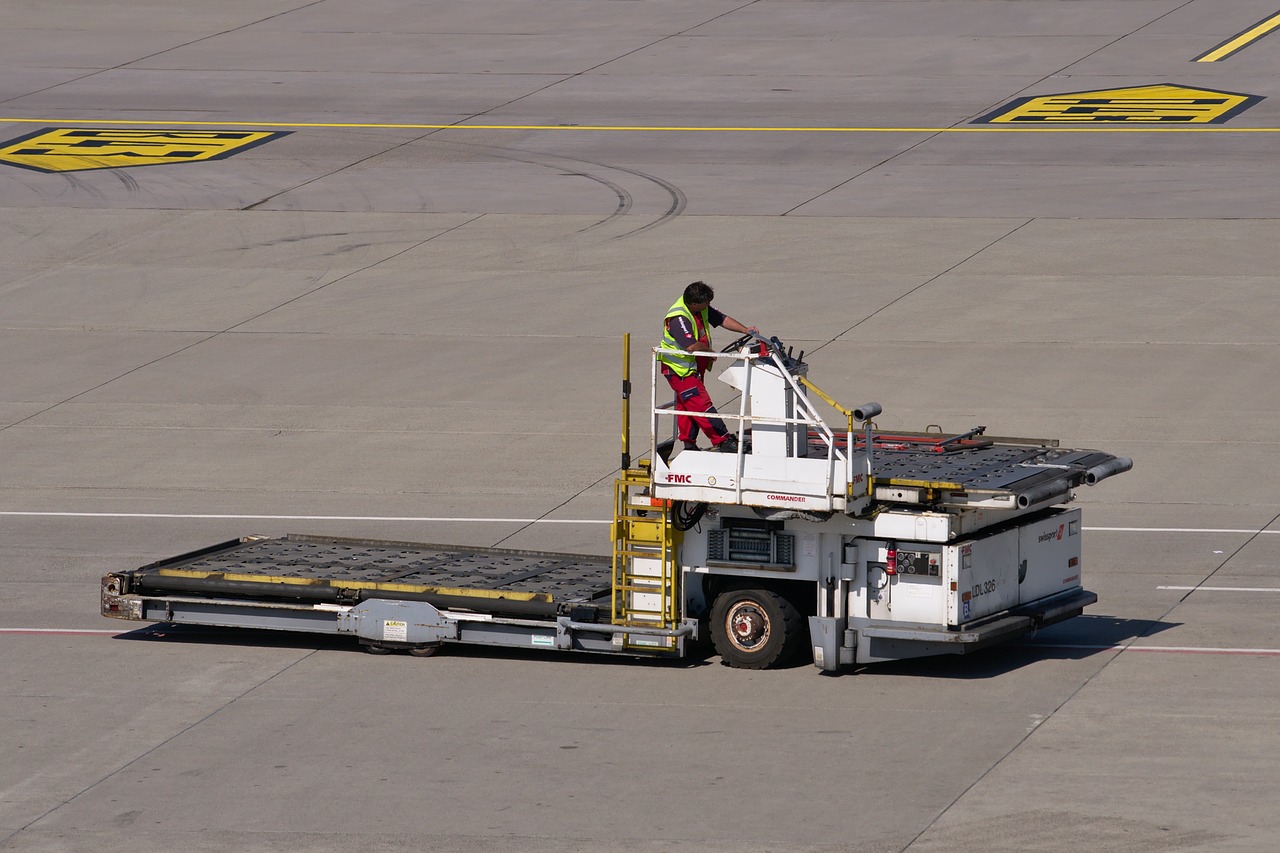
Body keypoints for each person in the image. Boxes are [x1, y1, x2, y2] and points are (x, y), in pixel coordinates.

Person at [658, 281, 758, 453]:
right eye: (706, 303)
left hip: (693, 368)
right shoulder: (678, 317)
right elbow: (690, 345)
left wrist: (745, 330)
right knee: (701, 404)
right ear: (694, 303)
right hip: (679, 370)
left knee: (688, 406)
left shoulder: (700, 308)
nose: (709, 306)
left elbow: (722, 319)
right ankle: (723, 440)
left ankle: (689, 445)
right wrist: (711, 352)